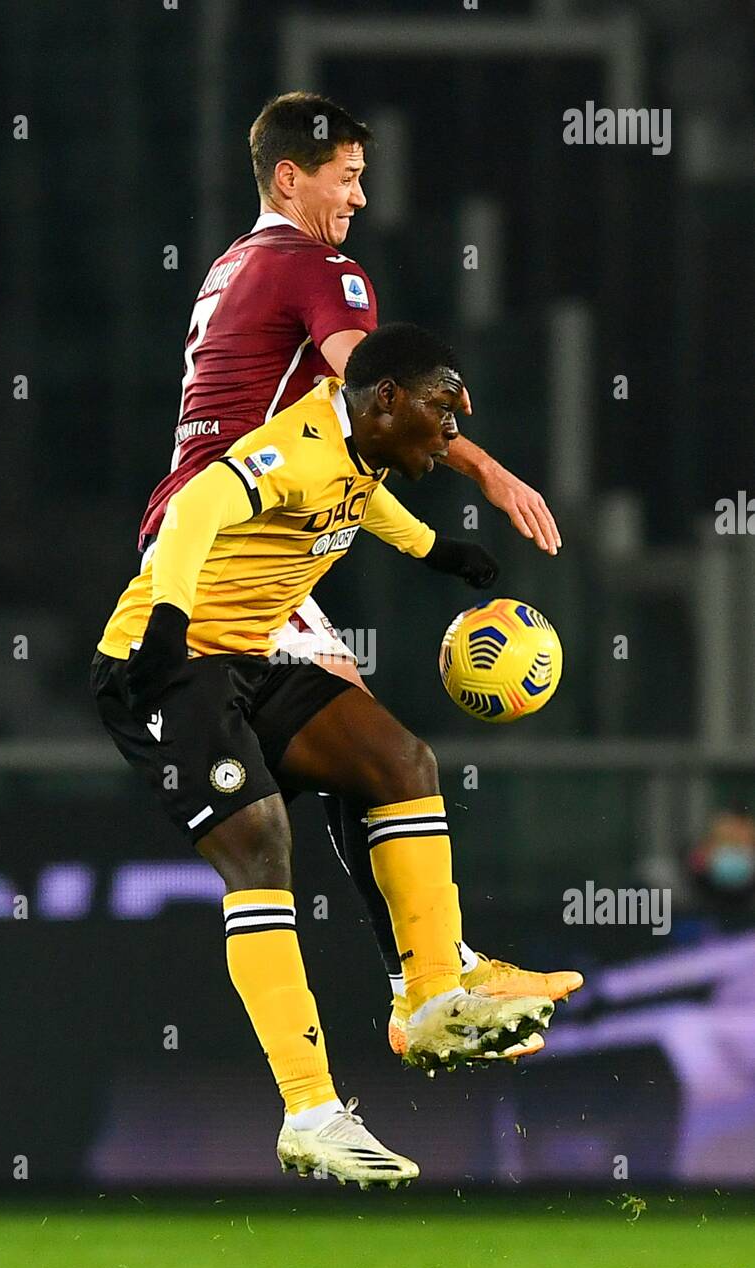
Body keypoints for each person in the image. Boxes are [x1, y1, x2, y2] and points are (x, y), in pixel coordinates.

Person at [137, 91, 579, 1061]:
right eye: (346, 177)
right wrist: (489, 472)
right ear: (290, 177)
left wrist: (425, 538)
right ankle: (424, 982)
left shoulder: (232, 265)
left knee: (368, 759)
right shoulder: (314, 267)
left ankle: (426, 974)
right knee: (380, 762)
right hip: (236, 547)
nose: (359, 198)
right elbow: (378, 390)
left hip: (242, 538)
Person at [91, 324, 558, 1186]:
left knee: (399, 760)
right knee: (262, 842)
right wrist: (165, 623)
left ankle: (428, 996)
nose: (451, 435)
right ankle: (310, 1111)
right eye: (441, 414)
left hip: (250, 659)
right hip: (163, 668)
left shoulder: (360, 450)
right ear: (386, 400)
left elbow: (358, 502)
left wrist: (434, 549)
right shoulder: (294, 447)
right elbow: (197, 508)